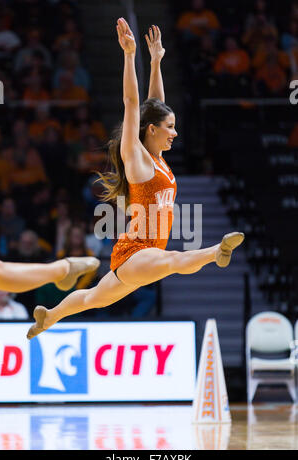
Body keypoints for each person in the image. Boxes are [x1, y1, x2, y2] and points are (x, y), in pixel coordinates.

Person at [27, 18, 244, 340]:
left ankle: (51, 316)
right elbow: (133, 104)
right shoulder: (136, 157)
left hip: (136, 255)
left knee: (91, 298)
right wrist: (129, 56)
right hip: (138, 251)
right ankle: (216, 252)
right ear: (152, 131)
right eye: (170, 127)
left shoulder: (157, 157)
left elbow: (154, 106)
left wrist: (156, 62)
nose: (175, 132)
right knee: (173, 260)